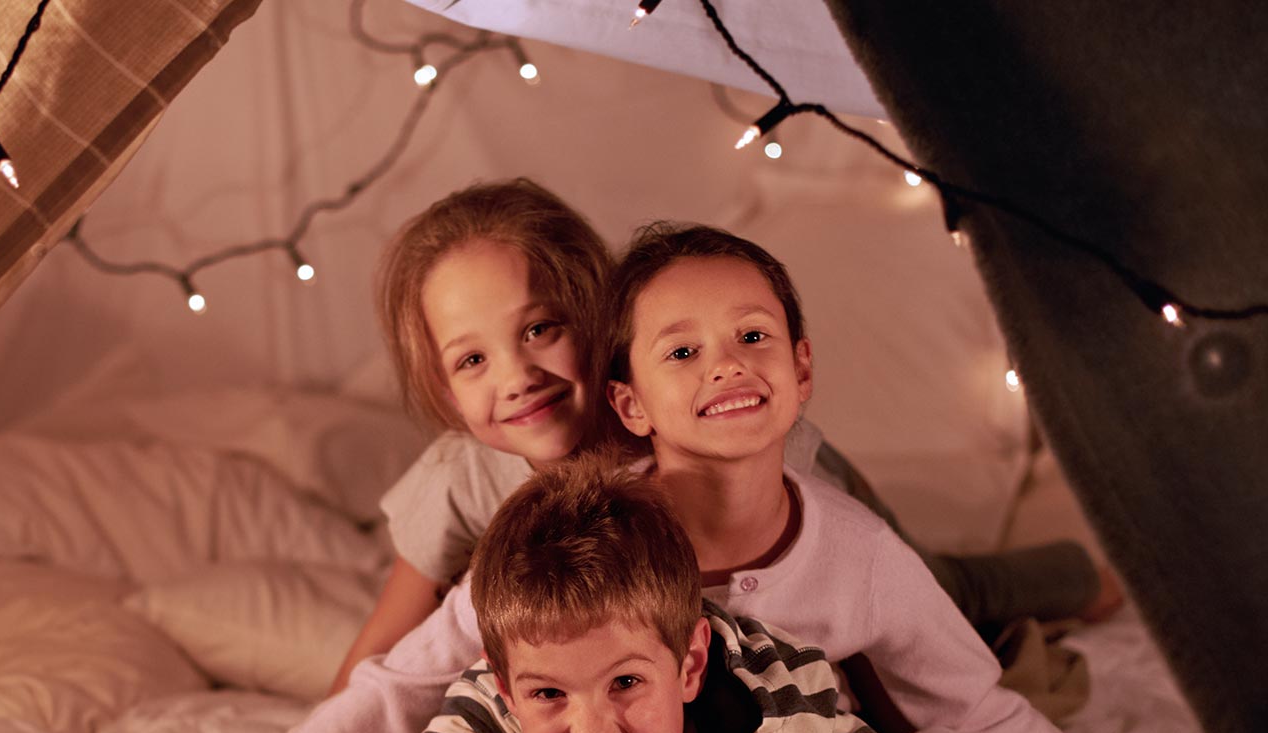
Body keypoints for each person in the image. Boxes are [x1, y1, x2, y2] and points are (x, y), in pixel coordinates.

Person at [190, 220, 1219, 733]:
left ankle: (1064, 582)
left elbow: (980, 710)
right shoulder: (584, 534)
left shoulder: (853, 553)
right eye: (683, 349)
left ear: (802, 368)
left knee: (976, 658)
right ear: (629, 401)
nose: (725, 365)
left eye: (753, 338)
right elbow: (399, 685)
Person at [329, 178, 1113, 693]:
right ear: (440, 386)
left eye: (541, 328)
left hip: (806, 493)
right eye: (471, 359)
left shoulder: (696, 436)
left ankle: (1085, 575)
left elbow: (823, 603)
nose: (517, 374)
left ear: (602, 324)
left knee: (944, 591)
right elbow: (383, 657)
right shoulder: (463, 477)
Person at [367, 453, 957, 733]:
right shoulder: (491, 702)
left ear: (690, 666)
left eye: (625, 683)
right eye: (549, 694)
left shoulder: (779, 701)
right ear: (507, 690)